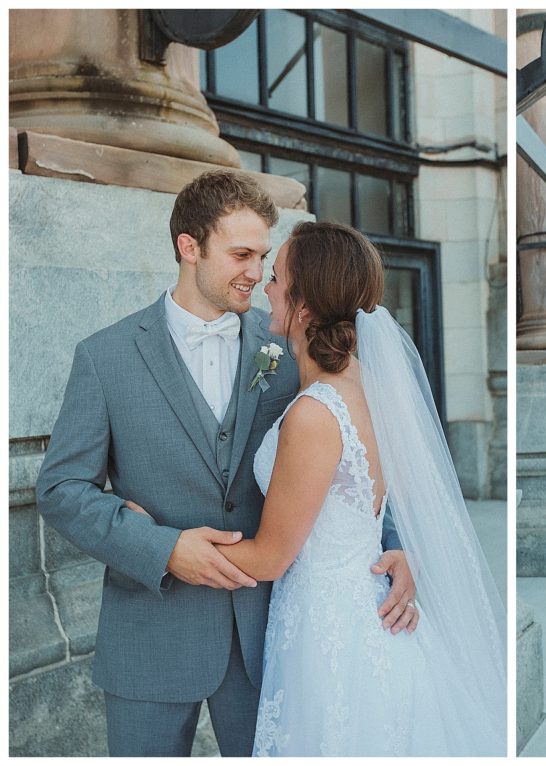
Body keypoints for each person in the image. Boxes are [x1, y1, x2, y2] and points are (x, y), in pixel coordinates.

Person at [35, 170, 417, 757]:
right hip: (151, 635)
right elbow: (61, 487)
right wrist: (160, 547)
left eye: (264, 257)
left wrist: (393, 545)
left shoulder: (294, 346)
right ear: (189, 248)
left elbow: (355, 458)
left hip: (273, 639)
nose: (257, 274)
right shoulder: (105, 357)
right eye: (241, 254)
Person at [206, 221, 506, 756]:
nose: (265, 289)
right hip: (360, 607)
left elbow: (270, 558)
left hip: (330, 634)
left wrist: (165, 539)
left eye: (276, 278)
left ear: (302, 307)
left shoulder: (315, 413)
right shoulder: (368, 386)